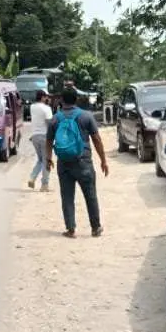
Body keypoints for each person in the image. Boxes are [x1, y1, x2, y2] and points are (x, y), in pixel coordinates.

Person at [46, 88, 109, 238]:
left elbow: (48, 141)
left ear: (61, 100)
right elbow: (96, 139)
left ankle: (71, 229)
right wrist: (103, 160)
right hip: (83, 162)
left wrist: (49, 159)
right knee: (90, 195)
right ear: (77, 99)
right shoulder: (86, 116)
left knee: (67, 196)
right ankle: (95, 228)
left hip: (64, 163)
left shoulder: (55, 119)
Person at [27, 90, 53, 191]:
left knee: (41, 160)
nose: (47, 98)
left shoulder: (32, 107)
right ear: (42, 97)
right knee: (46, 161)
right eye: (46, 97)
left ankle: (32, 178)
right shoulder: (47, 108)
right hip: (44, 136)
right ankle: (44, 185)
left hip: (34, 136)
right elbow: (49, 123)